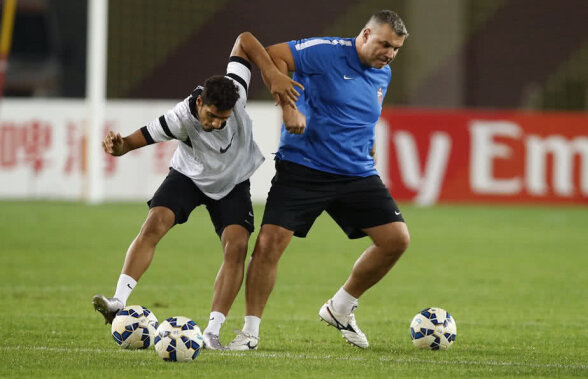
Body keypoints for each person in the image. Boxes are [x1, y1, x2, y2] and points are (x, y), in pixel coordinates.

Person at [91, 32, 303, 350]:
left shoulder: (237, 92)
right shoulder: (180, 119)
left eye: (224, 118)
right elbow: (134, 141)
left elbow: (244, 39)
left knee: (236, 248)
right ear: (200, 102)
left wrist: (272, 73)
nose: (217, 123)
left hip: (233, 182)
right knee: (154, 224)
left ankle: (212, 333)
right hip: (189, 177)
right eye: (212, 116)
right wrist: (118, 147)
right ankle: (118, 302)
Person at [227, 10, 410, 350]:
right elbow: (272, 56)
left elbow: (360, 115)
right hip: (304, 167)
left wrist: (367, 147)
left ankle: (340, 307)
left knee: (396, 240)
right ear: (366, 34)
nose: (390, 53)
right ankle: (249, 333)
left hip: (356, 172)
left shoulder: (382, 72)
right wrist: (286, 107)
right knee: (268, 245)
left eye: (396, 48)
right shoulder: (325, 51)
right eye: (385, 44)